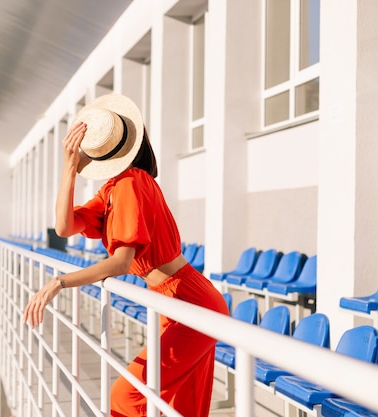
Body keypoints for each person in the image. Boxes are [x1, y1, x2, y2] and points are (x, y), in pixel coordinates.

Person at [23, 93, 229, 416]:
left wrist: (59, 283)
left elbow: (121, 261)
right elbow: (64, 227)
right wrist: (69, 171)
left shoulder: (131, 184)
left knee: (126, 397)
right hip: (176, 302)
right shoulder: (113, 190)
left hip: (190, 301)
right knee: (181, 409)